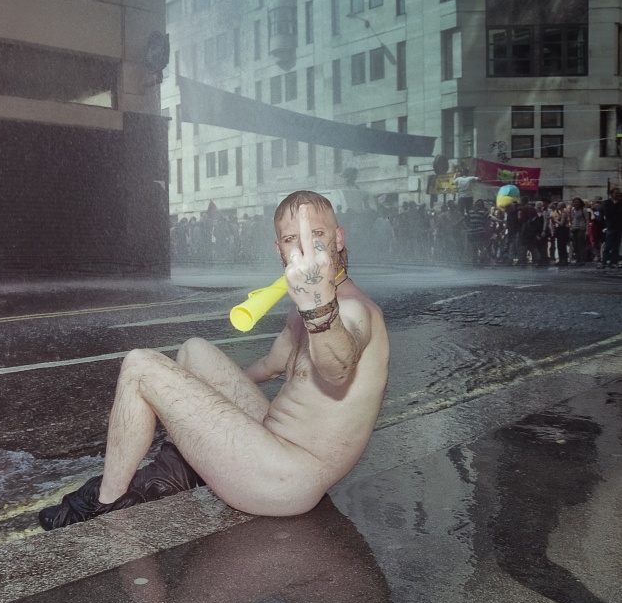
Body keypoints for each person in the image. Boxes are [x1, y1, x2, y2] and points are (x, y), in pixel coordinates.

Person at [39, 191, 390, 529]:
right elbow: (269, 366)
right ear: (279, 249)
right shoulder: (302, 310)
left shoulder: (354, 310)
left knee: (139, 367)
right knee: (194, 351)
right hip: (273, 446)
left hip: (288, 480)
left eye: (316, 234)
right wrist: (197, 409)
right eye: (290, 239)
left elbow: (338, 368)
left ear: (338, 238)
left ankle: (107, 505)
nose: (303, 248)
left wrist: (320, 310)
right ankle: (184, 470)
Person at [602, 188, 622, 267]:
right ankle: (604, 261)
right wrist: (615, 205)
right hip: (610, 226)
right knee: (608, 245)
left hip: (619, 226)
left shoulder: (620, 203)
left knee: (616, 245)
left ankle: (614, 262)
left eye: (619, 193)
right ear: (611, 194)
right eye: (616, 193)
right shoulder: (607, 203)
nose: (618, 195)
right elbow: (607, 213)